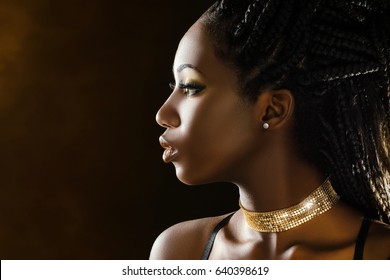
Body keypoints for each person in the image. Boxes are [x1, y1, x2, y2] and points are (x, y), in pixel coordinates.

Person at [151, 0, 390, 259]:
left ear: (273, 110)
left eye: (190, 88)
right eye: (173, 87)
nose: (163, 114)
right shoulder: (179, 252)